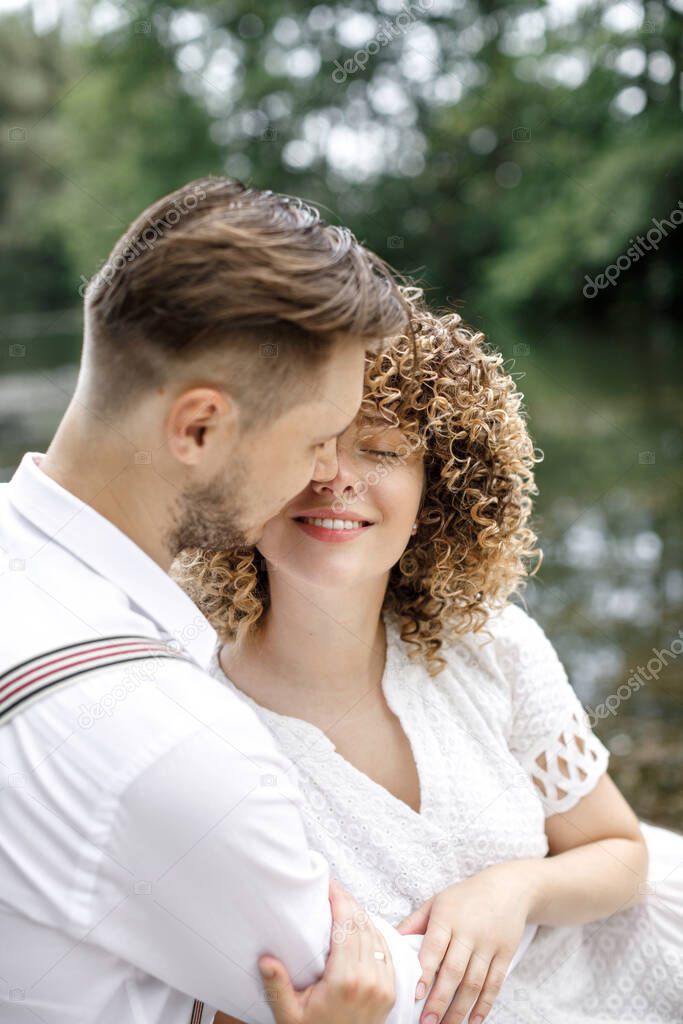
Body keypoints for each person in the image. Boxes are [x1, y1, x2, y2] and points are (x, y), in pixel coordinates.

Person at [0, 176, 439, 1024]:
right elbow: (394, 999)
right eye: (316, 438)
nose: (324, 472)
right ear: (198, 427)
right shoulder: (170, 746)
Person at [175, 294, 683, 1024]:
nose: (336, 477)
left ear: (436, 494)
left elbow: (618, 852)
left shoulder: (490, 645)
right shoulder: (194, 725)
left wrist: (515, 888)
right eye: (311, 442)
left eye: (381, 450)